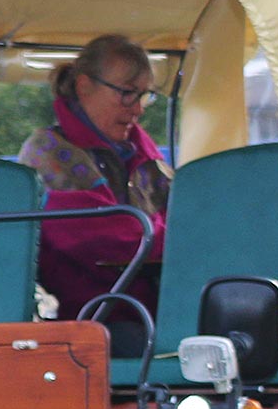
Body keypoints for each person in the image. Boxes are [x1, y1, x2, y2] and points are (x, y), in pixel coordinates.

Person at [20, 34, 171, 342]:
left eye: (144, 96)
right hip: (94, 324)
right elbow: (109, 240)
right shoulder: (48, 152)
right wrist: (184, 237)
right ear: (84, 87)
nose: (139, 109)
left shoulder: (144, 155)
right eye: (128, 93)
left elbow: (191, 215)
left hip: (157, 314)